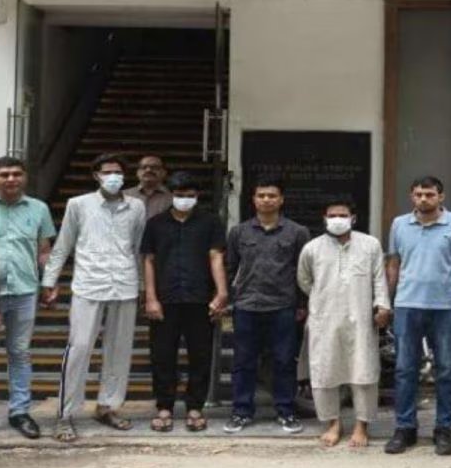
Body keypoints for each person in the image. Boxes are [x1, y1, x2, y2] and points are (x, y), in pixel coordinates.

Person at [41, 153, 145, 442]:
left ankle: (107, 406)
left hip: (124, 283)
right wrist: (49, 280)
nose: (113, 177)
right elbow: (63, 245)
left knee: (119, 349)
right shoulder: (78, 204)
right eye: (107, 172)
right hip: (88, 283)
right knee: (79, 347)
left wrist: (143, 286)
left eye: (118, 172)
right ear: (96, 176)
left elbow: (138, 248)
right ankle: (65, 413)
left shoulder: (136, 206)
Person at [0, 156, 57, 442]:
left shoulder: (39, 208)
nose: (11, 179)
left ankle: (20, 412)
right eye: (4, 174)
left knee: (19, 352)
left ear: (25, 177)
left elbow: (44, 250)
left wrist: (49, 281)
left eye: (17, 174)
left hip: (24, 291)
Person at [383, 176, 451, 456]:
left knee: (447, 369)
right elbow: (394, 264)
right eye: (419, 194)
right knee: (405, 369)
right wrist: (388, 301)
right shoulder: (399, 224)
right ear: (412, 196)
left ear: (441, 196)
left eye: (430, 194)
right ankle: (405, 428)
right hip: (407, 305)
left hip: (446, 308)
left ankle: (443, 430)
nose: (424, 199)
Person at [297, 199, 391, 448]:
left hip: (361, 318)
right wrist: (323, 298)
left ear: (353, 218)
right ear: (324, 219)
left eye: (342, 215)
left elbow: (379, 279)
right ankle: (333, 423)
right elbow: (305, 281)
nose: (337, 219)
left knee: (363, 371)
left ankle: (362, 426)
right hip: (324, 319)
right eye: (332, 215)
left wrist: (382, 306)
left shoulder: (370, 245)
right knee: (324, 371)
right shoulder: (312, 248)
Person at [141, 172, 229, 432]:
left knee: (200, 355)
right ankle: (164, 407)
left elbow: (216, 257)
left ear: (197, 196)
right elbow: (149, 260)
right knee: (162, 355)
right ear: (171, 195)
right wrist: (150, 297)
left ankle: (195, 408)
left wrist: (221, 293)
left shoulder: (210, 222)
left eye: (190, 195)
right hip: (165, 299)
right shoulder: (156, 224)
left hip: (200, 298)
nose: (185, 200)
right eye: (180, 195)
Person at [222, 177, 311, 434]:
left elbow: (304, 272)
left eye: (272, 195)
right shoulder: (239, 232)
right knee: (243, 362)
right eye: (261, 195)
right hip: (247, 306)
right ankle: (241, 411)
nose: (266, 200)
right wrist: (231, 299)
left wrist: (302, 304)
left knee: (284, 361)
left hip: (283, 306)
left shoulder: (297, 232)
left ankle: (286, 411)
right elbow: (231, 268)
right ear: (253, 200)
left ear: (281, 200)